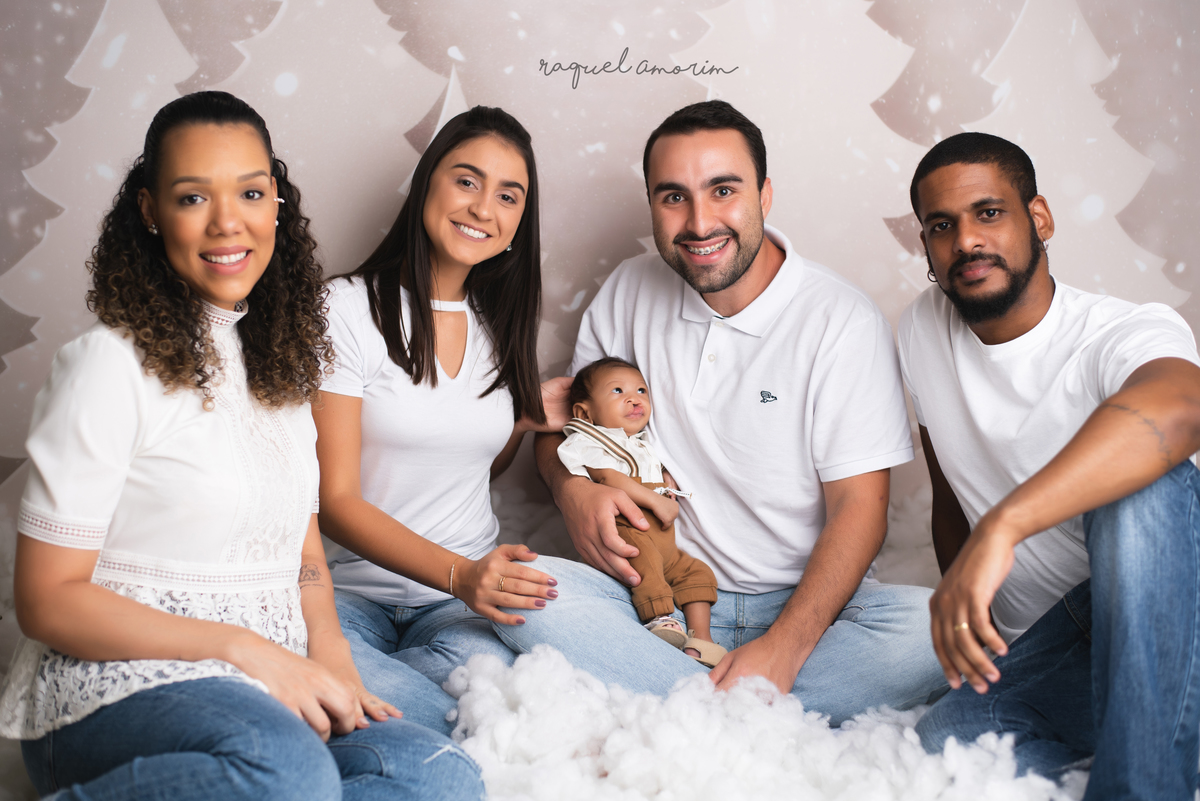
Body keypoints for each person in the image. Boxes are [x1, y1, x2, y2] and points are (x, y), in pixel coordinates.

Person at [0, 92, 484, 801]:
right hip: (112, 691)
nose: (228, 222)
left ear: (276, 204)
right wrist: (245, 648)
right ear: (150, 211)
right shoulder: (106, 364)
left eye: (251, 193)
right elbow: (47, 601)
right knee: (285, 770)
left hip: (261, 686)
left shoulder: (280, 369)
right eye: (193, 197)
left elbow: (304, 552)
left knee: (437, 770)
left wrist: (331, 654)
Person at [494, 100, 947, 726]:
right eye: (673, 197)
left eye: (723, 190)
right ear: (651, 203)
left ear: (765, 195)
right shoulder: (628, 289)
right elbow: (567, 428)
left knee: (935, 629)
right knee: (513, 591)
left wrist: (785, 648)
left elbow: (859, 509)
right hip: (654, 599)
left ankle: (684, 705)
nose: (700, 221)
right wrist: (570, 491)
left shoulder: (840, 319)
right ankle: (746, 711)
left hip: (807, 609)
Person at [899, 132, 1200, 800]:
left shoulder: (1118, 331)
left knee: (1143, 482)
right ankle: (1155, 739)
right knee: (950, 743)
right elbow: (950, 494)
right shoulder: (920, 329)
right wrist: (970, 624)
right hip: (1067, 643)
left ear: (1039, 218)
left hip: (1176, 607)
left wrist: (1004, 526)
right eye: (942, 226)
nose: (966, 241)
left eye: (989, 213)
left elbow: (1182, 407)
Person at [314, 106, 569, 702]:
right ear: (427, 182)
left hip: (458, 609)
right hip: (353, 598)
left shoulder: (498, 326)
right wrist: (462, 575)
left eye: (508, 196)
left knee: (481, 702)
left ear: (519, 222)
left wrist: (519, 422)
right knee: (380, 703)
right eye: (467, 181)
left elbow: (468, 468)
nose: (483, 209)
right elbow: (335, 502)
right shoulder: (343, 310)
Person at [558, 357, 724, 667]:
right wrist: (656, 500)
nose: (634, 399)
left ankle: (702, 637)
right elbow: (609, 477)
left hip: (665, 543)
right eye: (618, 391)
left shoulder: (642, 443)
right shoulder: (590, 440)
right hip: (629, 531)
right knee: (643, 566)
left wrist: (666, 481)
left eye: (641, 390)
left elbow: (649, 471)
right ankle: (659, 618)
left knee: (695, 572)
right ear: (585, 412)